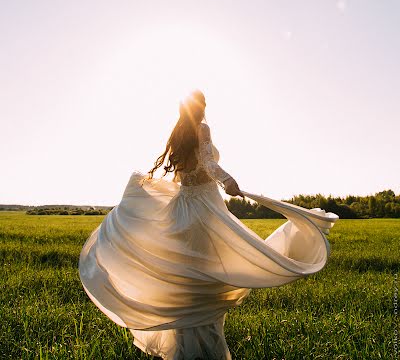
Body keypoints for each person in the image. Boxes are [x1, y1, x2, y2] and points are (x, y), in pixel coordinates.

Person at [79, 89, 339, 360]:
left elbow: (182, 177)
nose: (203, 109)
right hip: (203, 210)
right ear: (200, 107)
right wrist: (228, 181)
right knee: (210, 276)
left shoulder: (178, 134)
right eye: (202, 104)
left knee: (189, 283)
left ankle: (185, 349)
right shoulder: (201, 127)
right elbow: (208, 163)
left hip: (180, 211)